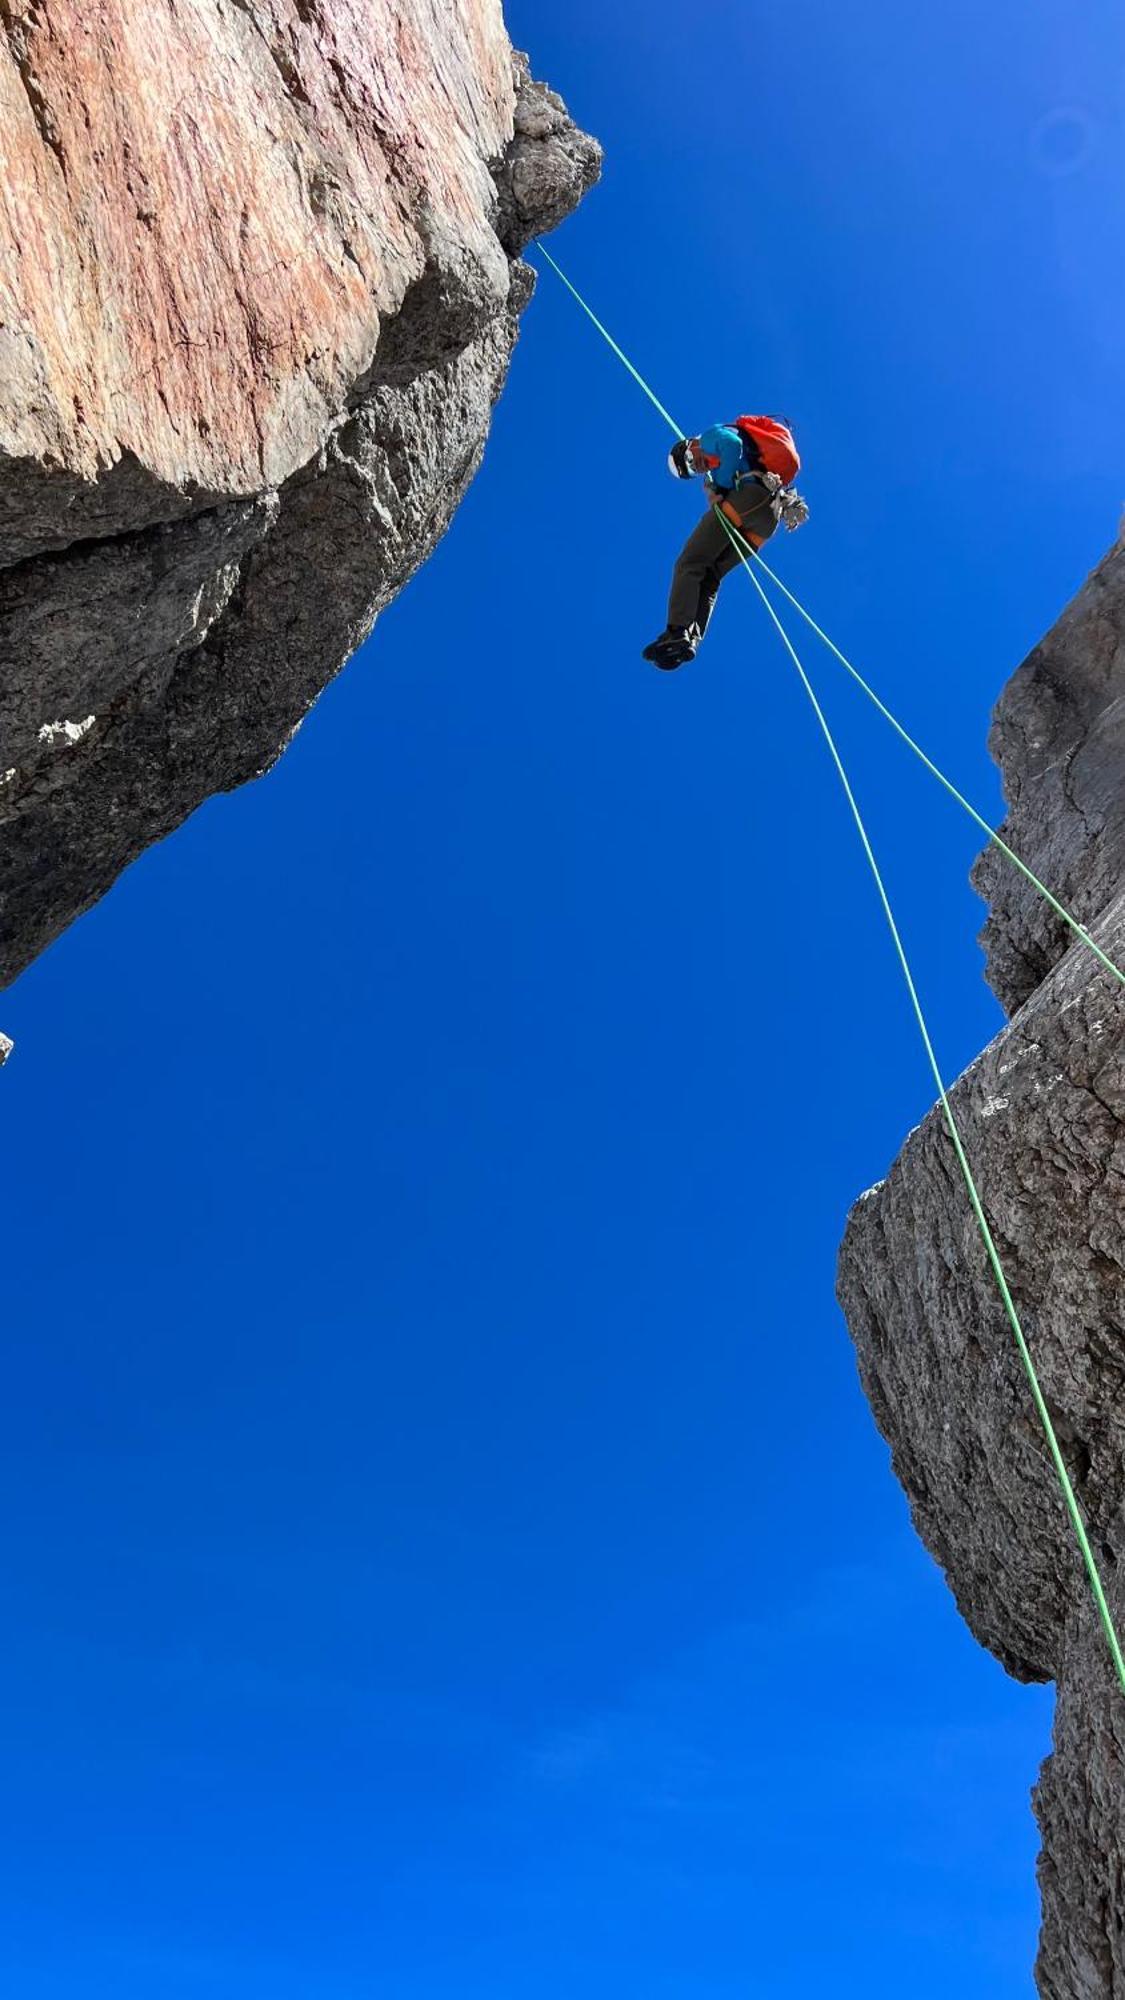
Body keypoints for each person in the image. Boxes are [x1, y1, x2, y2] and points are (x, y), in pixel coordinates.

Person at [642, 416, 809, 671]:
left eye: (687, 459)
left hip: (751, 499)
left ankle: (676, 629)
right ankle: (688, 640)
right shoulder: (717, 468)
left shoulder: (710, 436)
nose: (693, 466)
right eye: (689, 471)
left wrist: (718, 489)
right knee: (710, 576)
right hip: (765, 521)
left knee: (690, 561)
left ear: (690, 444)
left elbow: (732, 445)